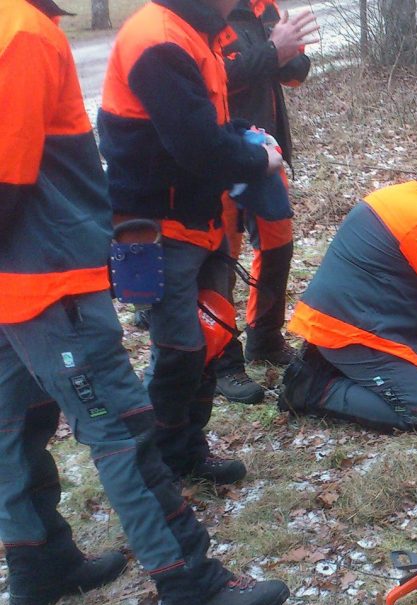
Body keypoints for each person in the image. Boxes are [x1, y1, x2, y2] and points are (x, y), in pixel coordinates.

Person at [0, 0, 287, 605]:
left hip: (22, 281)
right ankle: (189, 581)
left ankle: (39, 561)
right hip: (49, 279)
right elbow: (9, 181)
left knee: (16, 425)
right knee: (122, 431)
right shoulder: (19, 31)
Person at [98, 0, 284, 485]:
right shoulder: (159, 39)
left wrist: (239, 135)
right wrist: (256, 163)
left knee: (208, 337)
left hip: (197, 216)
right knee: (179, 347)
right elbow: (196, 146)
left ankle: (186, 453)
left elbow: (205, 128)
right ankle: (156, 463)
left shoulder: (198, 32)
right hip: (158, 224)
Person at [279, 138, 417, 432]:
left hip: (351, 315)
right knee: (413, 409)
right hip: (351, 330)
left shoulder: (400, 196)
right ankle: (313, 388)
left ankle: (331, 363)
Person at [214, 0, 319, 405]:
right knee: (220, 257)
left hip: (265, 148)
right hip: (219, 150)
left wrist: (290, 52)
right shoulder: (206, 14)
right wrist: (274, 50)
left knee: (278, 243)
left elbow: (293, 75)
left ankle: (265, 337)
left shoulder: (264, 8)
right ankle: (223, 362)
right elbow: (216, 77)